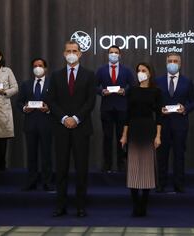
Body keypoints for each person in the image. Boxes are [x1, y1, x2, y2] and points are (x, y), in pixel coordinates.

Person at [49, 41, 96, 218]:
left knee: (81, 170)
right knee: (61, 169)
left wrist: (76, 118)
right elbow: (51, 100)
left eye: (74, 51)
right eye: (68, 51)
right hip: (61, 128)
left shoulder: (89, 75)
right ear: (63, 54)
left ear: (80, 54)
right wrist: (64, 118)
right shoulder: (55, 76)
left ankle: (80, 207)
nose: (71, 53)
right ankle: (61, 206)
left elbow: (90, 101)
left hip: (81, 128)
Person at [120, 62, 162, 217]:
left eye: (144, 70)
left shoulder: (156, 91)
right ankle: (135, 203)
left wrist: (158, 136)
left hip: (148, 129)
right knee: (133, 168)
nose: (141, 73)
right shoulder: (131, 91)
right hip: (133, 129)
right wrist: (124, 135)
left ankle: (144, 203)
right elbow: (127, 114)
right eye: (138, 70)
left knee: (146, 169)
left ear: (150, 73)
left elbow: (159, 115)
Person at [155, 53, 194, 193]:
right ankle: (161, 183)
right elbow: (153, 102)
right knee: (162, 156)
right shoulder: (158, 81)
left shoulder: (187, 81)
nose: (172, 63)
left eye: (175, 61)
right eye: (170, 61)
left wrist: (185, 109)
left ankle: (179, 184)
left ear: (180, 64)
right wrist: (158, 109)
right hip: (163, 124)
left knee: (179, 155)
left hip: (180, 124)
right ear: (166, 63)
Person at [96, 45, 135, 173]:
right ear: (108, 55)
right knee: (107, 136)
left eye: (116, 52)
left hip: (122, 108)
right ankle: (107, 164)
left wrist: (125, 91)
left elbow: (133, 85)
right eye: (111, 52)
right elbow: (93, 86)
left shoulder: (126, 70)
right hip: (106, 108)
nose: (113, 54)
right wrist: (102, 91)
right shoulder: (101, 70)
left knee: (121, 136)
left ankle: (121, 163)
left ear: (120, 55)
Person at [17, 58, 54, 191]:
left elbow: (57, 102)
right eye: (35, 66)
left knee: (47, 155)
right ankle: (31, 181)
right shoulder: (26, 84)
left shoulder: (52, 83)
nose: (37, 68)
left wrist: (49, 109)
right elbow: (19, 102)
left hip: (46, 124)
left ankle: (47, 182)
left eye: (40, 65)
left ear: (45, 68)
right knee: (31, 155)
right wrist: (24, 108)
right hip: (30, 124)